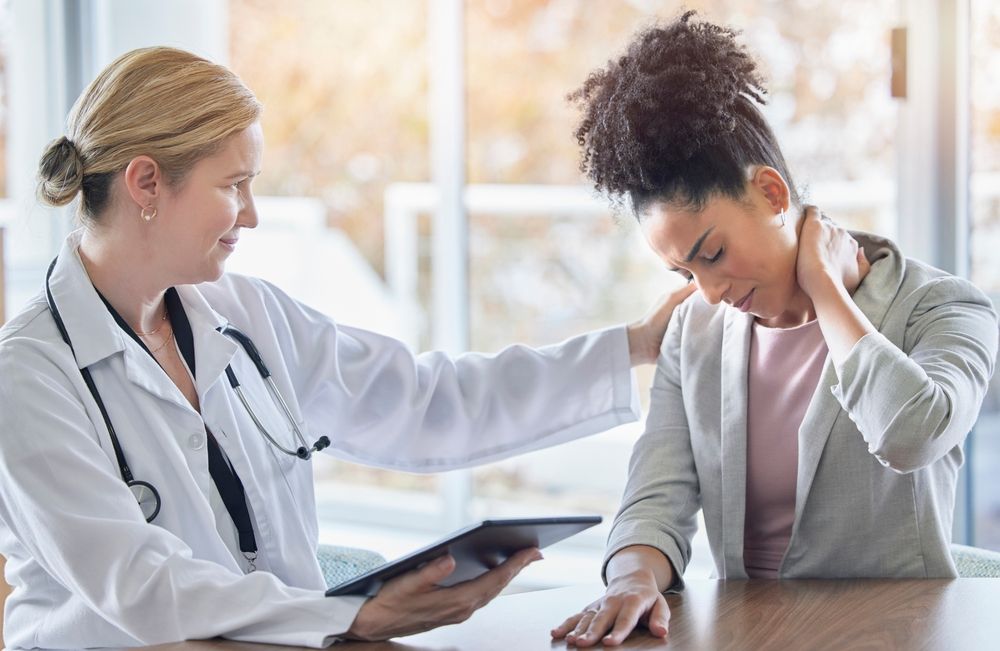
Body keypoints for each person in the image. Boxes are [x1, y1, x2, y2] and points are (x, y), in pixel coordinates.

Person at [0, 47, 694, 648]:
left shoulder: (245, 314)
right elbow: (139, 584)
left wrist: (633, 346)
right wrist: (349, 616)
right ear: (147, 182)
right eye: (234, 185)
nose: (252, 214)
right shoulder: (28, 375)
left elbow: (422, 401)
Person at [551, 12, 999, 647]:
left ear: (771, 193)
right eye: (684, 270)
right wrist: (632, 577)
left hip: (892, 637)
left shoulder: (943, 307)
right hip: (746, 636)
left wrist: (825, 288)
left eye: (712, 253)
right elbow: (658, 493)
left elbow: (911, 434)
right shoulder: (695, 330)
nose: (708, 291)